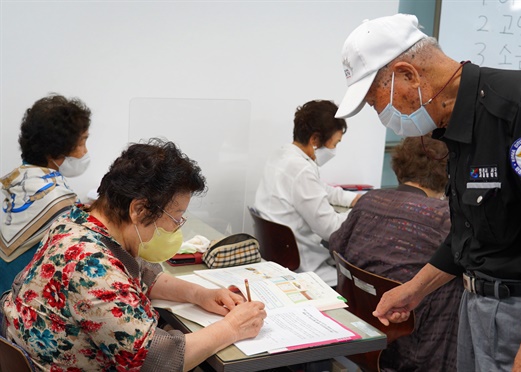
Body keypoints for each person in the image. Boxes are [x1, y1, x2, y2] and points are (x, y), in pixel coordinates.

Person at [334, 13, 521, 371]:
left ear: (408, 76)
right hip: (479, 309)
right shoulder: (454, 126)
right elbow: (470, 234)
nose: (378, 112)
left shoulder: (516, 105)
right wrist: (416, 288)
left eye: (374, 100)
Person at [0, 139, 266, 371]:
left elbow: (140, 274)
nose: (175, 228)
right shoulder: (92, 266)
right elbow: (158, 361)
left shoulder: (76, 222)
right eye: (175, 218)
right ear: (138, 210)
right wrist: (232, 328)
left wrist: (200, 294)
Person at [329, 136, 463, 372]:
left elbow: (335, 245)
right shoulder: (445, 218)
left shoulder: (369, 201)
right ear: (447, 172)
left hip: (363, 329)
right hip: (417, 343)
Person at [254, 100, 361, 286]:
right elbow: (332, 230)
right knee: (359, 282)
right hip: (303, 269)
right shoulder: (300, 170)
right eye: (334, 143)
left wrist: (354, 199)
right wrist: (361, 212)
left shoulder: (283, 156)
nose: (334, 150)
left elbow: (320, 188)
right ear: (315, 140)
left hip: (278, 257)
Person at [1, 94, 92, 295]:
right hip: (22, 306)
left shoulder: (14, 180)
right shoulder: (60, 202)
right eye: (82, 143)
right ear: (54, 150)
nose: (85, 152)